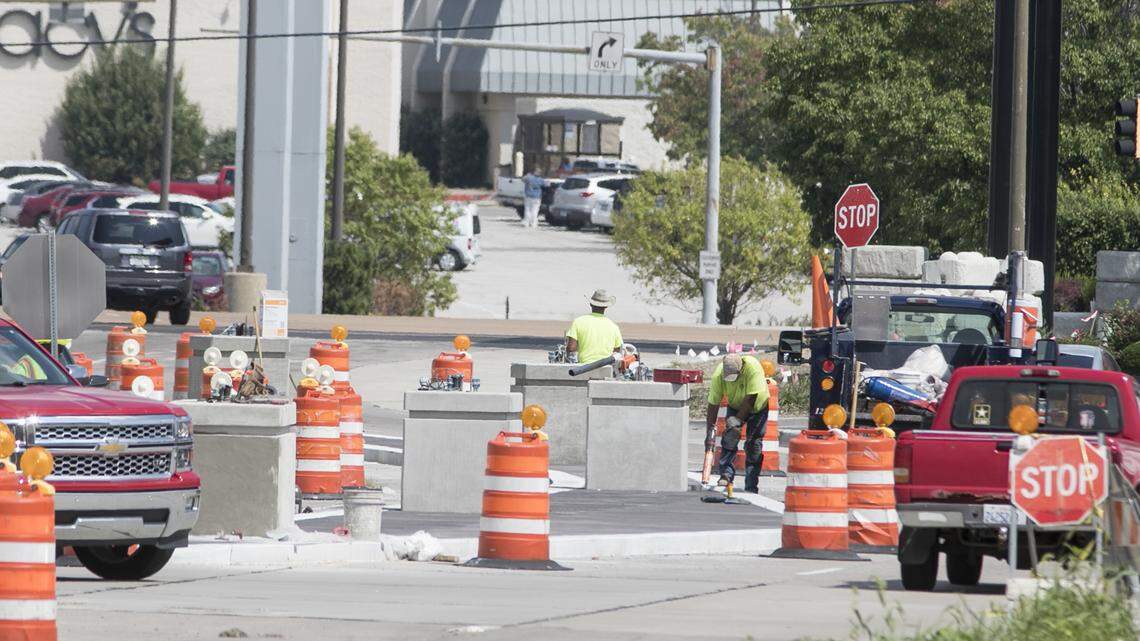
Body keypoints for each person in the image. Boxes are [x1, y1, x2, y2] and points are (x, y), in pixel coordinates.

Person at [704, 353, 770, 493]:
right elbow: (713, 404)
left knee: (753, 445)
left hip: (758, 407)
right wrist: (710, 431)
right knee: (729, 438)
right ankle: (726, 475)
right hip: (735, 405)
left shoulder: (753, 368)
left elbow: (751, 398)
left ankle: (751, 484)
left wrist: (737, 420)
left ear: (741, 369)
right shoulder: (719, 375)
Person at [565, 289, 623, 365]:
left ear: (591, 304)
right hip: (606, 369)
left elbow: (571, 348)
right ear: (606, 307)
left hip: (583, 368)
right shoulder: (614, 327)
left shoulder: (578, 321)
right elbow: (617, 351)